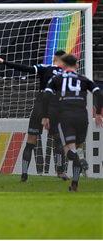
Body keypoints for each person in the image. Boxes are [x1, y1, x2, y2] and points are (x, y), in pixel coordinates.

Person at [0, 50, 68, 181]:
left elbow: (24, 69)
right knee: (58, 141)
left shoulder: (44, 67)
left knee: (31, 141)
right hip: (54, 107)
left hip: (39, 106)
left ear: (54, 58)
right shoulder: (67, 74)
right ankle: (60, 172)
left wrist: (4, 62)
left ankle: (24, 173)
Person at [41, 54, 103, 192]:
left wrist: (45, 116)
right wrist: (98, 113)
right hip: (82, 116)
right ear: (76, 65)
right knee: (79, 147)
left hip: (65, 116)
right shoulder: (84, 79)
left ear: (63, 65)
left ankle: (78, 158)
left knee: (69, 150)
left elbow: (46, 96)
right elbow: (99, 94)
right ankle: (74, 184)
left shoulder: (56, 79)